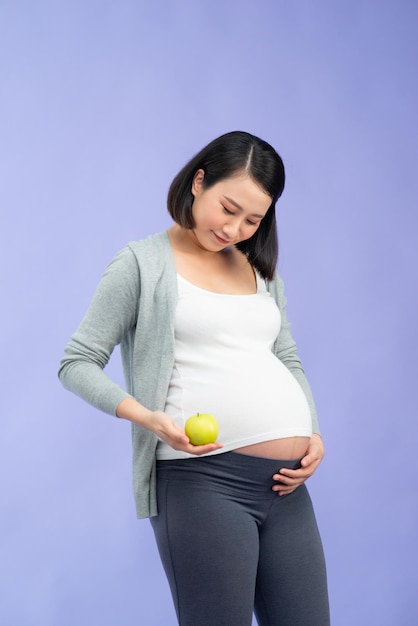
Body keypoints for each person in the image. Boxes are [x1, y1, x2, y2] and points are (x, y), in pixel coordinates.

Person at [58, 130, 330, 626]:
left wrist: (311, 431)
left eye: (253, 219)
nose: (235, 229)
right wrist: (149, 419)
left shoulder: (259, 271)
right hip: (203, 484)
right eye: (228, 209)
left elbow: (286, 356)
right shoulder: (141, 264)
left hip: (287, 489)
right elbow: (76, 361)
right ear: (199, 182)